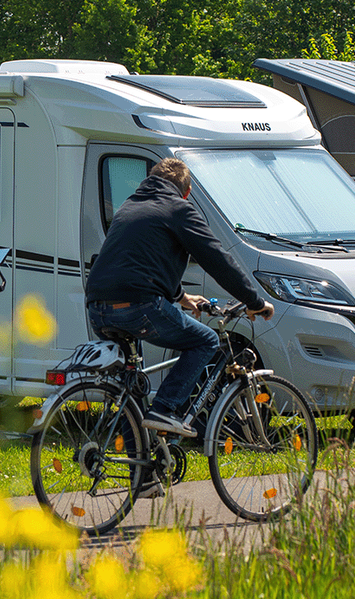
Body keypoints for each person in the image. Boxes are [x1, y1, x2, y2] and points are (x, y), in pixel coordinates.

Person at [85, 157, 275, 438]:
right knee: (206, 340)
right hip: (139, 306)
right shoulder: (178, 208)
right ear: (185, 191)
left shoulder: (130, 206)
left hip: (98, 307)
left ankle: (143, 474)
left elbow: (139, 263)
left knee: (133, 391)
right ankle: (165, 408)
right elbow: (216, 259)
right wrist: (254, 301)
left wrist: (182, 297)